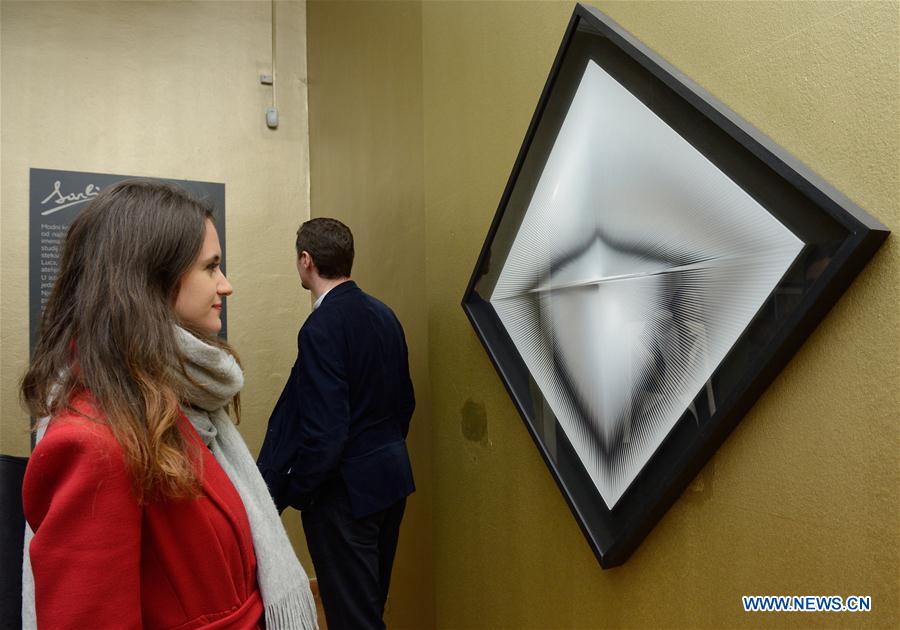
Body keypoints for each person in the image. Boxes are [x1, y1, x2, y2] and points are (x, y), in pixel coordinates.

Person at [20, 180, 317, 630]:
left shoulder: (175, 406)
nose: (226, 285)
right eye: (211, 267)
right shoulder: (95, 441)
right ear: (150, 278)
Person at [257, 218, 415, 630]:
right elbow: (405, 403)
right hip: (391, 482)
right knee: (370, 606)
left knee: (352, 618)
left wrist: (299, 491)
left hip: (345, 496)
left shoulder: (320, 327)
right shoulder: (385, 315)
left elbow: (326, 434)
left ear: (306, 260)